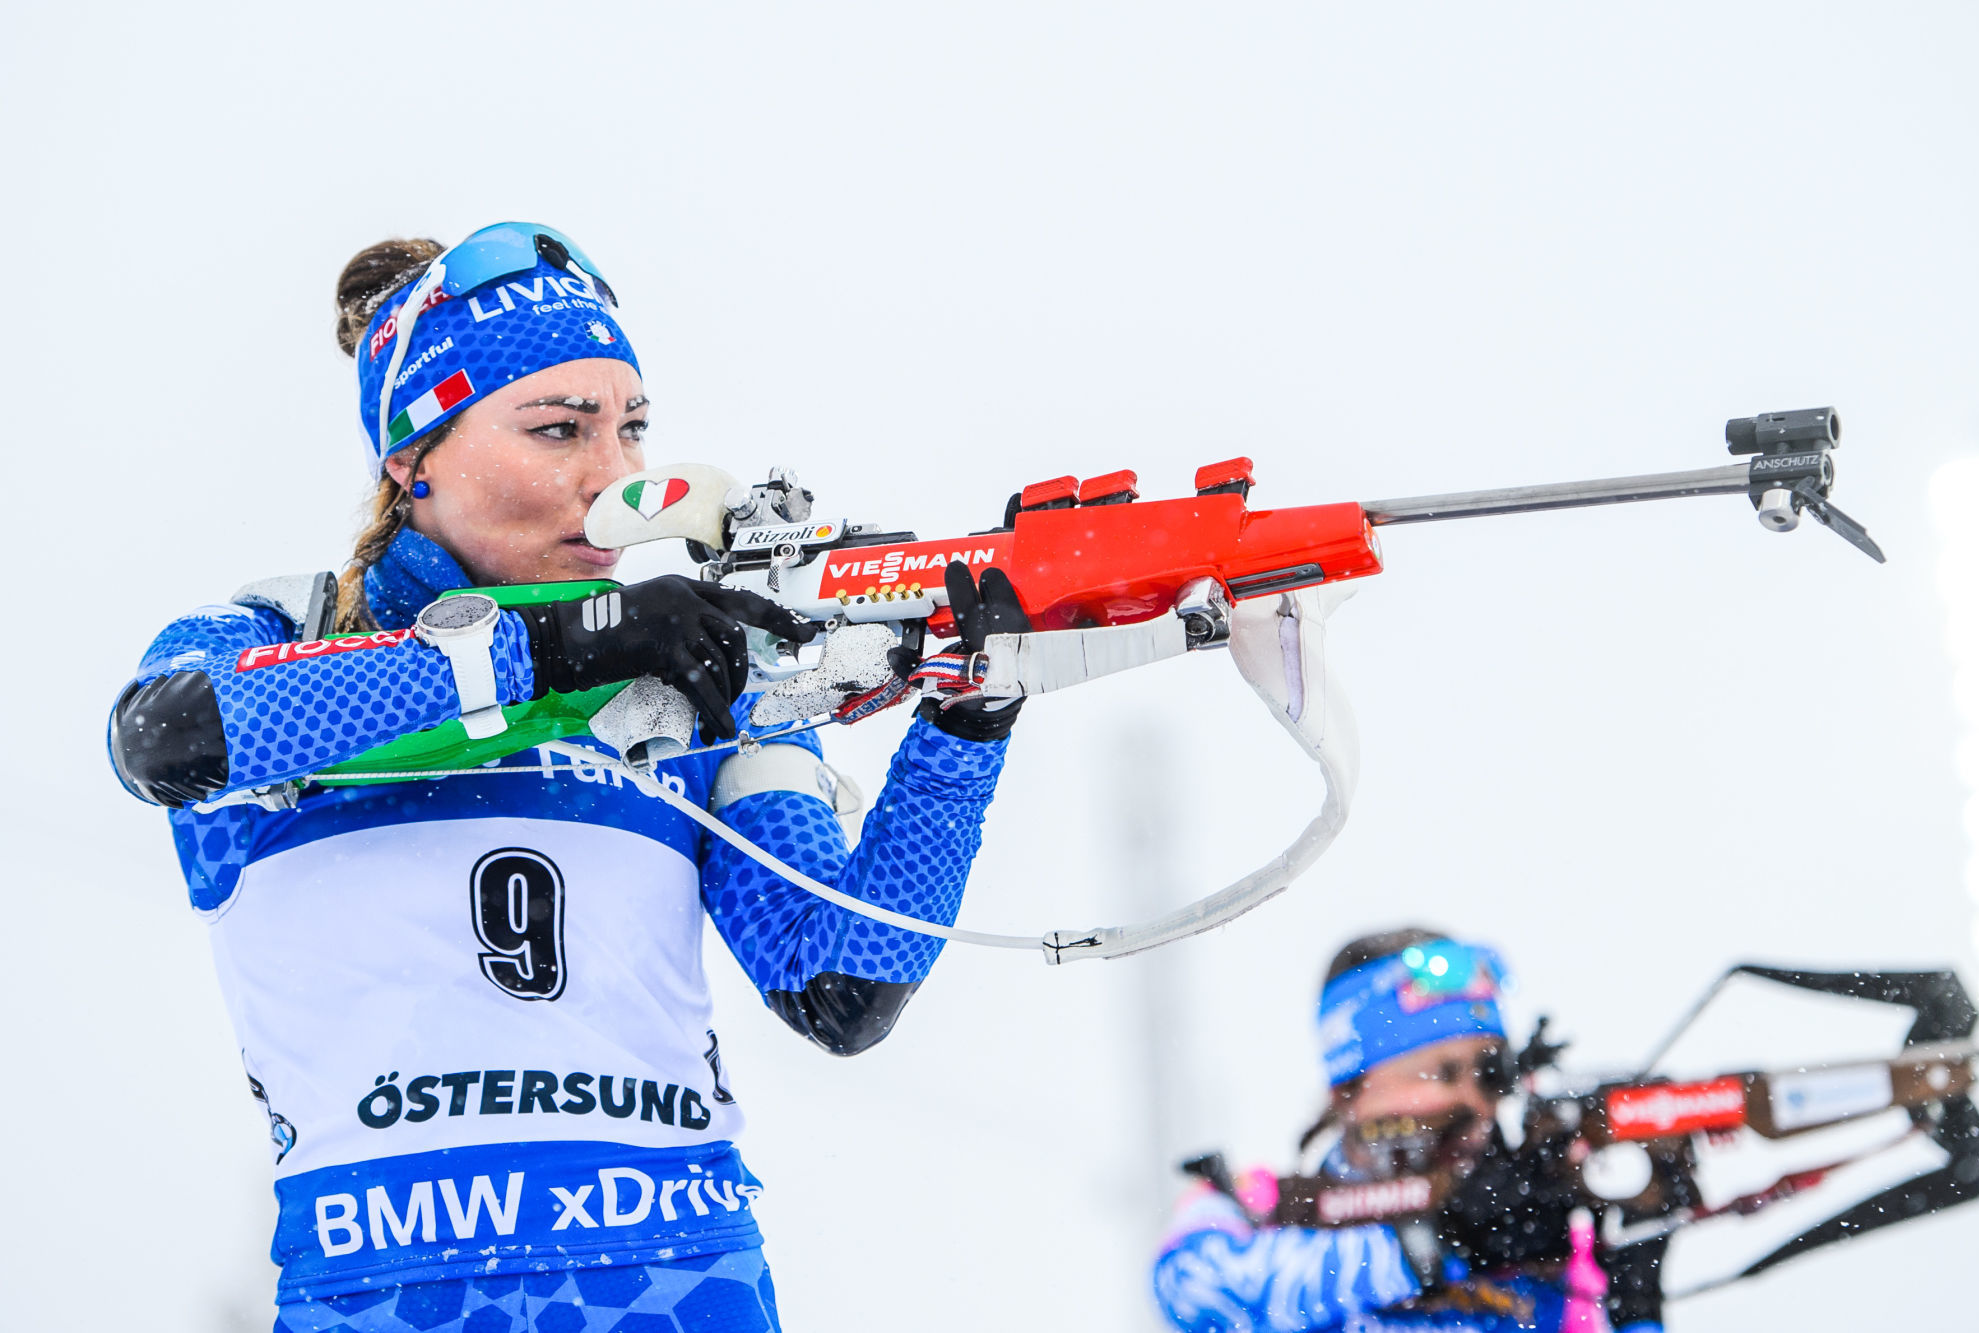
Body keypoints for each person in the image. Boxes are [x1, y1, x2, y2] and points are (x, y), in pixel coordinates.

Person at [106, 223, 1029, 1333]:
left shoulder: (680, 676)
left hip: (682, 1284)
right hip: (392, 1294)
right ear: (412, 459)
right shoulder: (280, 635)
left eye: (632, 429)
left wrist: (962, 729)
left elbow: (837, 983)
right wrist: (556, 649)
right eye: (558, 430)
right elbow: (165, 740)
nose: (615, 478)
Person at [1153, 927, 1663, 1333]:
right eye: (1443, 1074)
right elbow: (1195, 1292)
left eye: (1490, 1073)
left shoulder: (1548, 1224)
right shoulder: (1260, 1207)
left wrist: (1636, 1305)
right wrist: (1436, 1244)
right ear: (1348, 1089)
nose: (1473, 1101)